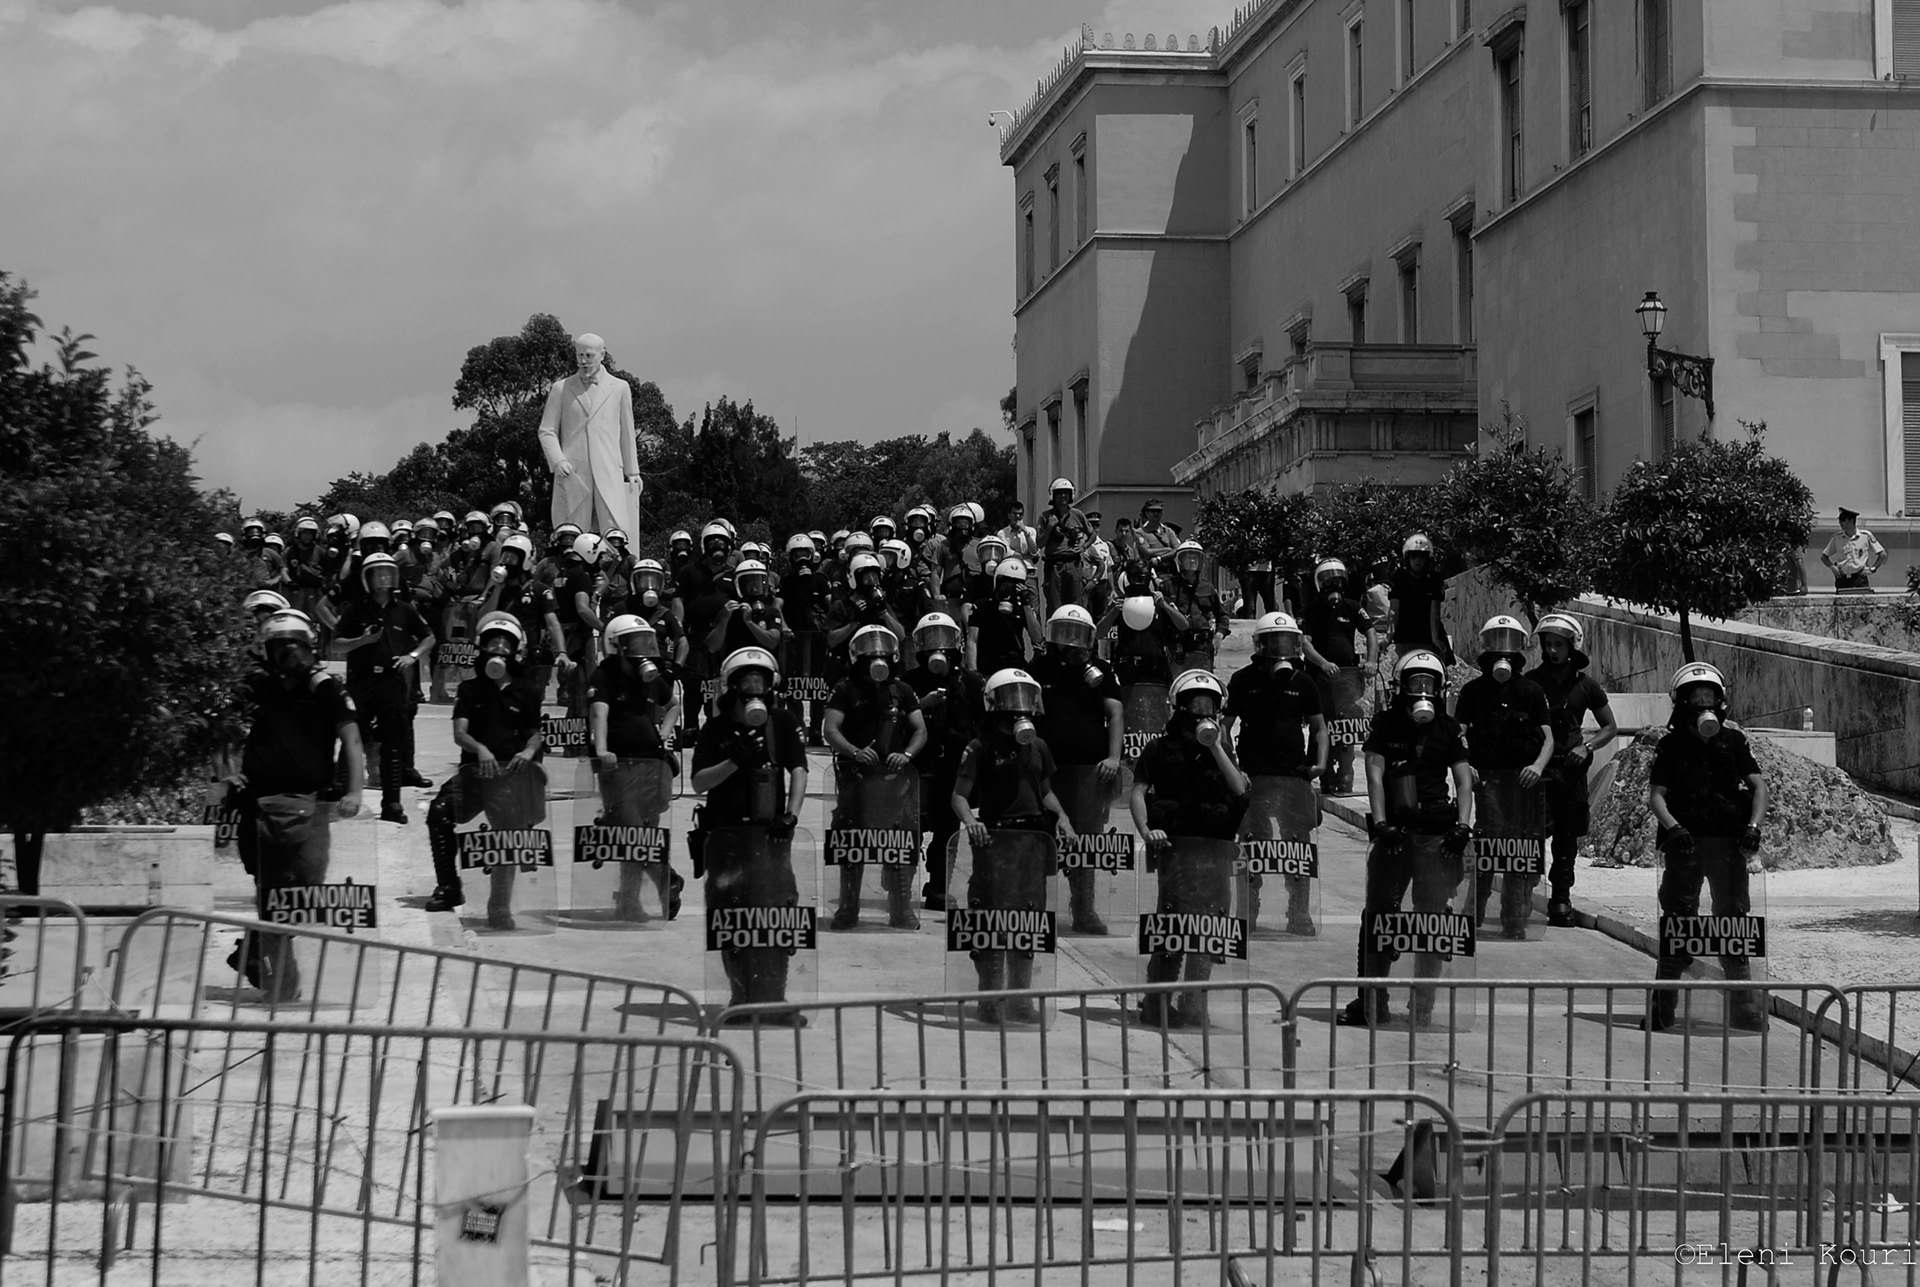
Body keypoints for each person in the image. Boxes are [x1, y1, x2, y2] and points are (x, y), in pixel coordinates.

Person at [225, 610, 365, 1003]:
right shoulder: (256, 688)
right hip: (259, 807)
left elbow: (351, 740)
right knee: (270, 895)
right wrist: (226, 772)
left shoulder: (327, 689)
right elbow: (225, 729)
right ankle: (283, 984)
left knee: (305, 892)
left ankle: (255, 948)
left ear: (308, 646)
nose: (288, 653)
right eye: (279, 646)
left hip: (312, 805)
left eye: (294, 645)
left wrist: (354, 791)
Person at [1344, 649, 1473, 1028]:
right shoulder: (1385, 724)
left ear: (1440, 689)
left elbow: (1464, 780)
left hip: (1438, 836)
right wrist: (1381, 823)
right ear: (1401, 687)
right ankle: (1372, 1000)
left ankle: (1423, 1004)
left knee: (1432, 920)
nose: (1422, 690)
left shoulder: (1448, 728)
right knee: (1379, 916)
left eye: (1428, 684)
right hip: (1396, 835)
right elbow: (1374, 773)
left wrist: (1463, 826)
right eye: (1415, 682)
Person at [1645, 662, 1769, 1032]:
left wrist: (1753, 827)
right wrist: (1674, 828)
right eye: (1695, 698)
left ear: (1721, 701)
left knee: (1732, 921)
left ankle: (1744, 1005)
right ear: (1681, 703)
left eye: (1709, 697)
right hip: (1685, 845)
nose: (1703, 705)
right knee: (1678, 922)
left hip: (1728, 843)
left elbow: (1759, 787)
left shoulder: (1733, 741)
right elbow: (1657, 796)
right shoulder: (1670, 745)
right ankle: (1663, 1005)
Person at [691, 646, 811, 1025]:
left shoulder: (781, 721)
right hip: (726, 838)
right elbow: (697, 783)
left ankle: (774, 1000)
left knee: (776, 918)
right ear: (733, 685)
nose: (754, 687)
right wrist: (734, 760)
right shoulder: (716, 728)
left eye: (761, 679)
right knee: (732, 921)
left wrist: (791, 814)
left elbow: (800, 768)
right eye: (747, 680)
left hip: (770, 836)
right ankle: (740, 999)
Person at [951, 669, 1079, 1023]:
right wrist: (971, 822)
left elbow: (1046, 791)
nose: (1020, 705)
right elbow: (959, 797)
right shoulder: (980, 746)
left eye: (1025, 696)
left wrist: (1064, 819)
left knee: (1027, 923)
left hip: (1032, 842)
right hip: (995, 840)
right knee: (991, 922)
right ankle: (990, 999)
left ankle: (1021, 999)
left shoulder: (1038, 746)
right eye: (1013, 697)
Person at [1129, 669, 1250, 1028]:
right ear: (1179, 707)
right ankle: (1158, 1001)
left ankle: (1194, 1002)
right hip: (1176, 852)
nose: (1202, 712)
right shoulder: (1158, 748)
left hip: (1215, 852)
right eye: (1195, 704)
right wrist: (1146, 830)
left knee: (1210, 932)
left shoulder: (1219, 748)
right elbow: (1138, 791)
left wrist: (1215, 745)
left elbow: (1240, 790)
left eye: (1209, 705)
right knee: (1172, 931)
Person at [424, 612, 548, 925]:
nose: (499, 649)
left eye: (505, 644)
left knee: (506, 835)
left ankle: (499, 906)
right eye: (493, 642)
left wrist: (528, 752)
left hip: (512, 776)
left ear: (515, 650)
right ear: (482, 648)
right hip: (476, 774)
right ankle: (450, 887)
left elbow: (537, 734)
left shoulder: (528, 689)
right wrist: (479, 749)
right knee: (438, 813)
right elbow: (460, 732)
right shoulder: (470, 689)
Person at [1224, 612, 1327, 934]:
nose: (1281, 648)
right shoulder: (1243, 680)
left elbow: (1320, 728)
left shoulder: (1303, 681)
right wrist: (1234, 769)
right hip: (1254, 774)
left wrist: (1320, 765)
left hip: (1294, 775)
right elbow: (1225, 728)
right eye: (1275, 641)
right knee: (1252, 845)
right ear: (1261, 643)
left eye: (1287, 641)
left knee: (1297, 847)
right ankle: (1248, 911)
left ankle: (1299, 913)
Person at [1452, 615, 1554, 940]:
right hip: (1490, 781)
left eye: (1509, 642)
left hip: (1525, 783)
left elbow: (1549, 738)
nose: (1503, 651)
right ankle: (1473, 915)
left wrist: (1537, 766)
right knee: (1490, 843)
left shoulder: (1532, 691)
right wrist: (1466, 764)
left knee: (1520, 848)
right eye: (1496, 640)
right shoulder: (1472, 691)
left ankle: (1515, 918)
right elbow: (1459, 733)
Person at [823, 625, 929, 929]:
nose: (877, 652)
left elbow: (920, 730)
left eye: (882, 646)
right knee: (850, 841)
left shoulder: (901, 690)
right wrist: (855, 751)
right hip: (855, 780)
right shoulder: (845, 688)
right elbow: (830, 730)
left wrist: (906, 754)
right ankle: (848, 907)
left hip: (896, 783)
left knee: (900, 843)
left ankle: (901, 909)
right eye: (870, 647)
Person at [1030, 604, 1125, 933]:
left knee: (1085, 840)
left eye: (1076, 634)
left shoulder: (1101, 670)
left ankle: (1083, 909)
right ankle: (1036, 910)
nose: (1070, 641)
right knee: (1043, 836)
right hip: (1046, 769)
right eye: (1064, 633)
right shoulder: (1040, 667)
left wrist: (1114, 757)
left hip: (1089, 769)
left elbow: (1115, 714)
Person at [1524, 613, 1616, 926]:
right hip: (1539, 769)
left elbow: (1609, 727)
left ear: (1571, 646)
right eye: (1548, 644)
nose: (1552, 651)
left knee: (1566, 837)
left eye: (1558, 645)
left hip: (1572, 770)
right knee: (1531, 833)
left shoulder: (1586, 685)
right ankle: (1524, 891)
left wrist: (1587, 746)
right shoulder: (1531, 682)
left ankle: (1560, 899)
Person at [591, 615, 683, 921]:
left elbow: (673, 705)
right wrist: (602, 749)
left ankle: (629, 901)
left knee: (646, 833)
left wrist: (665, 735)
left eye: (646, 642)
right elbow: (599, 714)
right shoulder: (604, 676)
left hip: (652, 763)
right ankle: (666, 880)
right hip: (618, 764)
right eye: (634, 643)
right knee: (631, 833)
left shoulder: (650, 676)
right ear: (617, 646)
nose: (642, 650)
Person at [333, 552, 436, 823]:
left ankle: (392, 804)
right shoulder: (355, 609)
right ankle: (341, 795)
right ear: (367, 578)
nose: (383, 578)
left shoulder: (404, 608)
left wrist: (411, 656)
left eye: (388, 572)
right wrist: (362, 641)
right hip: (361, 680)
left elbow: (429, 637)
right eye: (377, 573)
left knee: (393, 743)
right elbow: (336, 643)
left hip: (392, 682)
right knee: (353, 738)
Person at [903, 611, 982, 911]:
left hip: (954, 769)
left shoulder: (970, 681)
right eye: (930, 639)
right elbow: (896, 723)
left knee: (948, 831)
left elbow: (983, 725)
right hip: (920, 767)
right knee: (911, 827)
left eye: (943, 638)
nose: (938, 646)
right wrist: (921, 705)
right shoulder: (909, 681)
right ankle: (901, 886)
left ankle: (938, 888)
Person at [537, 332, 640, 539]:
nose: (583, 361)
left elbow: (627, 434)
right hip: (574, 471)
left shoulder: (619, 388)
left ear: (602, 355)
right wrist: (558, 461)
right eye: (580, 355)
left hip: (609, 469)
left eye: (589, 355)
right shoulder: (561, 388)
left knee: (615, 530)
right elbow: (546, 430)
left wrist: (632, 472)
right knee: (572, 530)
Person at [1297, 557, 1377, 795]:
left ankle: (1345, 772)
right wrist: (1323, 664)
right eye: (1328, 580)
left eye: (1338, 580)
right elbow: (1304, 643)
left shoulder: (1352, 607)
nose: (1334, 586)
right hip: (1319, 678)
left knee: (1348, 723)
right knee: (1321, 725)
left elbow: (1371, 633)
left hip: (1347, 678)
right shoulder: (1309, 611)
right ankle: (1322, 774)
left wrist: (1372, 661)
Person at [553, 533, 605, 716]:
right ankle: (581, 734)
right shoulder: (581, 576)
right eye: (599, 555)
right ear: (590, 554)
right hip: (579, 637)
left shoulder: (562, 573)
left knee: (573, 687)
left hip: (563, 635)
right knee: (585, 687)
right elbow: (583, 609)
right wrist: (602, 627)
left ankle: (572, 734)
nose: (600, 560)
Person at [970, 554, 1041, 676]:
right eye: (1007, 583)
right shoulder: (981, 606)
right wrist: (973, 672)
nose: (1010, 589)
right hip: (987, 668)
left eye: (1016, 584)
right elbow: (972, 641)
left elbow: (1037, 638)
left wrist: (1026, 605)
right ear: (997, 582)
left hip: (1014, 668)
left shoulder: (1021, 608)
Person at [1166, 541, 1231, 672]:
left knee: (1203, 683)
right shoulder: (1168, 586)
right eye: (1188, 557)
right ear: (1180, 561)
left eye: (1195, 557)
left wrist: (1219, 635)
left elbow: (1222, 615)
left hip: (1203, 647)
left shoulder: (1208, 588)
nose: (1191, 561)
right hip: (1178, 646)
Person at [1388, 534, 1450, 662]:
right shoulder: (1399, 577)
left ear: (1427, 559)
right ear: (1407, 557)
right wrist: (1388, 637)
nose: (1417, 560)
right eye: (1413, 556)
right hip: (1404, 638)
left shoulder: (1435, 579)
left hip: (1428, 638)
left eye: (1421, 556)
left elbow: (1435, 611)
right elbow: (1394, 610)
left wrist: (1435, 639)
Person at [1036, 478, 1092, 612]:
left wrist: (1083, 546)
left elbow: (1092, 534)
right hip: (1054, 566)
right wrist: (1050, 527)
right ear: (1053, 496)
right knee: (1055, 605)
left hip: (1074, 565)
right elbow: (1039, 543)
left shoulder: (1077, 515)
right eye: (1059, 493)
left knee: (1075, 606)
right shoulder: (1045, 516)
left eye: (1066, 493)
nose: (1063, 496)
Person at [1820, 506, 1885, 591]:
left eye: (1843, 520)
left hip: (1859, 578)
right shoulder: (1837, 538)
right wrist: (1832, 567)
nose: (1840, 523)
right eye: (1840, 520)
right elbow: (1824, 557)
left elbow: (1882, 554)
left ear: (1851, 521)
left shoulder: (1865, 536)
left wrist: (1873, 569)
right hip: (1842, 579)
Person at [1083, 511, 1115, 622]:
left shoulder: (1104, 545)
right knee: (1086, 615)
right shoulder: (1082, 544)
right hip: (1087, 584)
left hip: (1101, 585)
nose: (1095, 528)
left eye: (1097, 525)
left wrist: (1112, 589)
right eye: (1091, 525)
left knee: (1100, 616)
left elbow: (1108, 568)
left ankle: (1096, 639)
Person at [1133, 500, 1179, 573]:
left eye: (1159, 511)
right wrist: (1168, 549)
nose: (1156, 513)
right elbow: (1147, 552)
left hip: (1169, 572)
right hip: (1149, 572)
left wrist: (1159, 558)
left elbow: (1177, 550)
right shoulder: (1140, 532)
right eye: (1153, 511)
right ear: (1147, 513)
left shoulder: (1168, 531)